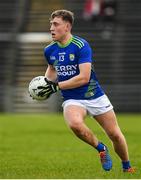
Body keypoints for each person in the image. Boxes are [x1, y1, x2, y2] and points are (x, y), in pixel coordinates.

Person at [39, 9, 135, 172]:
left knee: (115, 134)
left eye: (56, 24)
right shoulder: (49, 50)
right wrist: (43, 85)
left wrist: (56, 86)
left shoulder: (81, 45)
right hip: (72, 99)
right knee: (75, 124)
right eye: (51, 24)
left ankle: (127, 167)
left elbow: (84, 77)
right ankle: (101, 148)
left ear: (67, 26)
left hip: (94, 95)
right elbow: (52, 70)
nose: (51, 28)